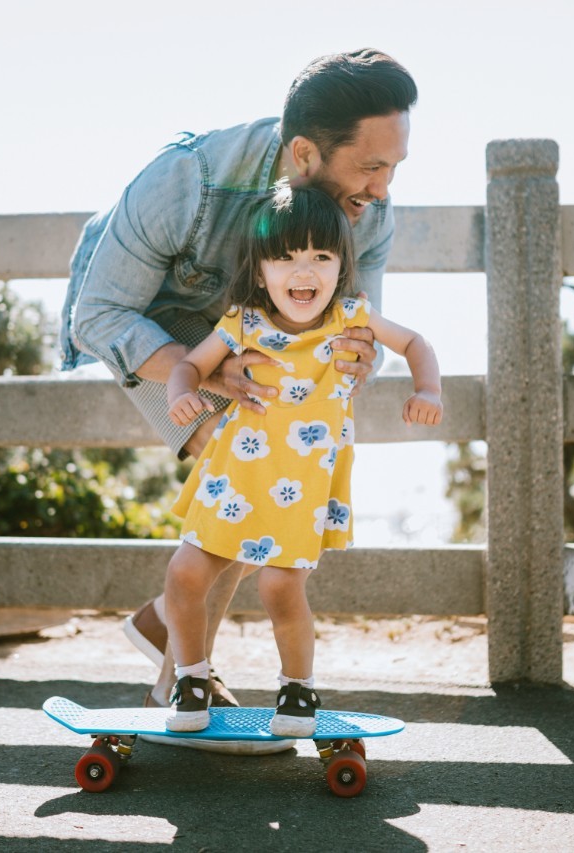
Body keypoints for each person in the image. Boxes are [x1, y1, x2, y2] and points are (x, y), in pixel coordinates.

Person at [59, 49, 417, 747]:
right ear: (306, 154)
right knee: (245, 467)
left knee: (268, 464)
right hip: (150, 321)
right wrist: (208, 374)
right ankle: (175, 671)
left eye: (396, 167)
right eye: (372, 167)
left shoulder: (368, 208)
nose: (383, 188)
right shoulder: (186, 179)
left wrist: (358, 355)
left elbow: (358, 324)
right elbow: (99, 314)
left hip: (260, 335)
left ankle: (169, 624)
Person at [161, 184, 442, 734]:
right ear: (260, 268)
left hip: (302, 484)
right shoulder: (243, 322)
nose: (303, 271)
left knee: (279, 586)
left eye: (321, 256)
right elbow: (187, 368)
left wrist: (427, 390)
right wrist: (181, 394)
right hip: (236, 477)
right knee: (185, 573)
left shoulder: (349, 316)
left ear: (342, 265)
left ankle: (297, 692)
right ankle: (191, 678)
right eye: (284, 257)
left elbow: (415, 344)